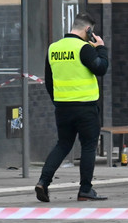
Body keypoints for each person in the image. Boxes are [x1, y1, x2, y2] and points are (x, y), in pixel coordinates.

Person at [35, 12, 109, 202]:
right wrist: (101, 48)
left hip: (63, 107)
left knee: (63, 144)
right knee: (89, 146)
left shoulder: (53, 48)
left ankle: (43, 181)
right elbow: (101, 68)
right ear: (88, 30)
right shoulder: (83, 48)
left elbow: (49, 81)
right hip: (86, 107)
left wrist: (58, 101)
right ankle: (85, 189)